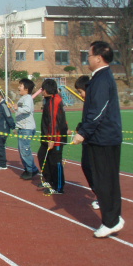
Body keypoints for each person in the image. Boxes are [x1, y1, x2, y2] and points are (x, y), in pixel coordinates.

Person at [72, 41, 124, 238]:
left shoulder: (102, 79)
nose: (88, 58)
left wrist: (83, 132)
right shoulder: (99, 78)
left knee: (105, 181)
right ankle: (114, 218)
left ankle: (111, 221)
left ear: (99, 57)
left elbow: (98, 111)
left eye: (89, 54)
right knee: (105, 180)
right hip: (100, 137)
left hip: (104, 138)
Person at [36, 79, 68, 196]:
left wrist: (52, 139)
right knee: (42, 156)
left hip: (55, 138)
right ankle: (49, 180)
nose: (41, 92)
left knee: (55, 162)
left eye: (42, 89)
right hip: (47, 136)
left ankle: (58, 187)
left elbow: (54, 121)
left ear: (47, 89)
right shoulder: (48, 100)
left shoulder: (55, 100)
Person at [74, 75, 98, 209]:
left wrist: (83, 132)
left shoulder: (95, 102)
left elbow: (94, 120)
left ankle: (103, 196)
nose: (80, 95)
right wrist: (80, 126)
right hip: (87, 142)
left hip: (95, 142)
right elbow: (87, 120)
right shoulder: (88, 103)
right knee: (86, 166)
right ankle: (100, 194)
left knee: (93, 169)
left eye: (80, 92)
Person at [13, 78, 38, 180]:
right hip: (22, 128)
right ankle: (30, 168)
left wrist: (17, 108)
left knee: (25, 150)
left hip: (27, 128)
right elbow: (19, 112)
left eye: (21, 85)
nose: (19, 87)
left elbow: (27, 110)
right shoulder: (22, 98)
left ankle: (31, 170)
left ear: (26, 88)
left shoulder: (28, 98)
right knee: (22, 150)